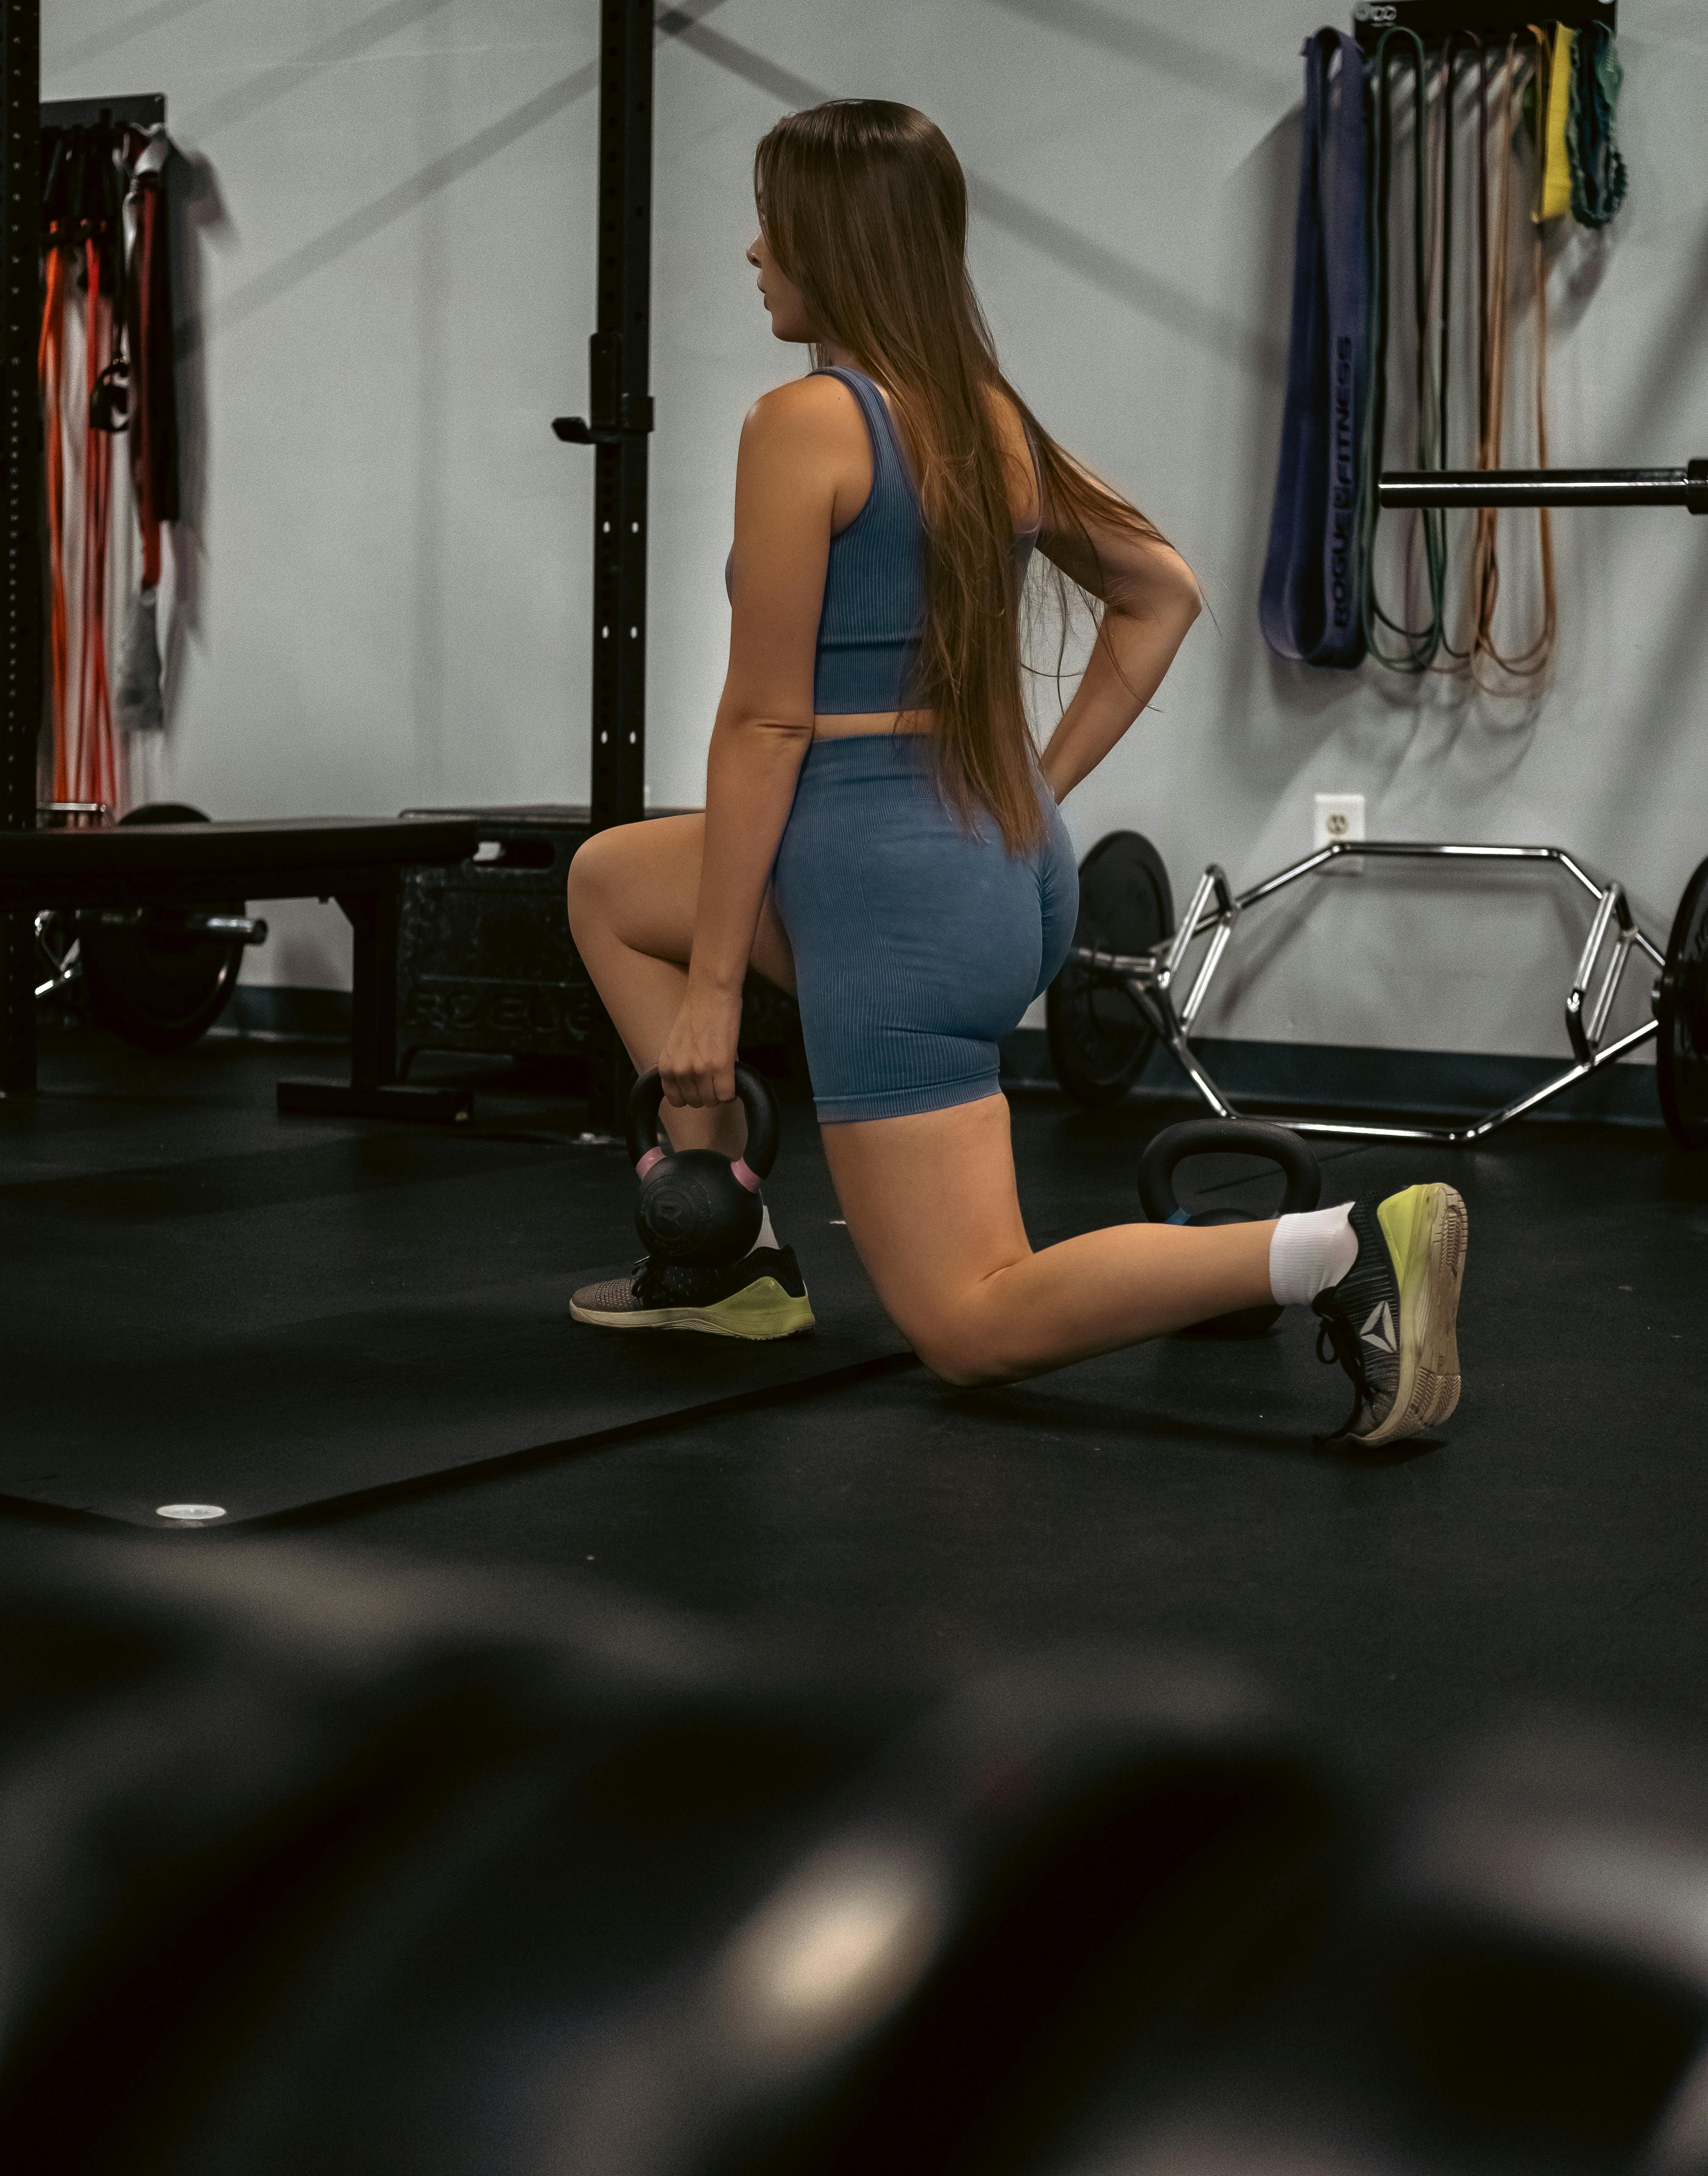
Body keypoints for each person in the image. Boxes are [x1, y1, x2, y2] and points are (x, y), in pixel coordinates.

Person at [567, 102, 1465, 1448]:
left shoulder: (805, 421)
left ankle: (1333, 1250)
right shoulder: (983, 417)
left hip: (884, 892)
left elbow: (764, 726)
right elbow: (1158, 591)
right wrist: (1027, 789)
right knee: (609, 881)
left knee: (972, 1323)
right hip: (1003, 868)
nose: (753, 250)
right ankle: (730, 1259)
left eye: (775, 221)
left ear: (837, 240)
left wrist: (708, 999)